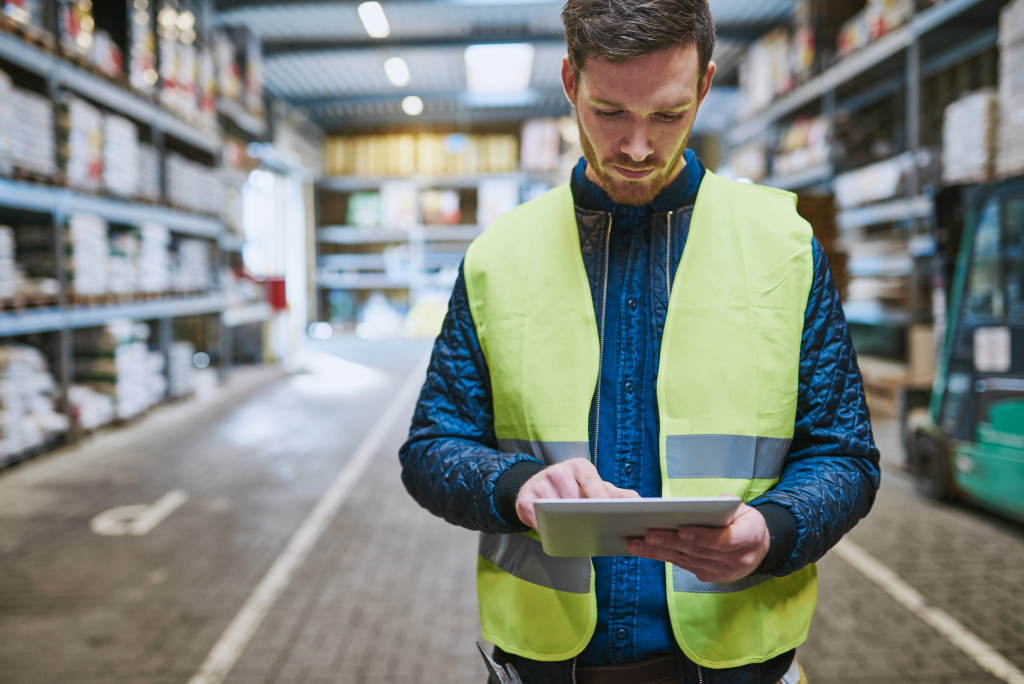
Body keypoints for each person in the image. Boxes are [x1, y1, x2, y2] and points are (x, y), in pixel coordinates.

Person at [399, 0, 881, 681]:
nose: (635, 146)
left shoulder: (785, 249)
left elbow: (846, 455)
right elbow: (430, 449)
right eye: (608, 112)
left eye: (666, 114)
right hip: (547, 667)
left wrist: (774, 530)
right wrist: (516, 487)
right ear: (571, 83)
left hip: (738, 664)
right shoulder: (497, 258)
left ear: (704, 87)